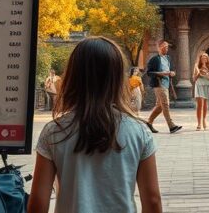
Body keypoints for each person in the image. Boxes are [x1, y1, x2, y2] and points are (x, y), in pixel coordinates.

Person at [28, 36, 162, 213]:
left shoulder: (54, 132)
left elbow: (38, 202)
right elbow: (152, 200)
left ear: (73, 77)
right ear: (116, 79)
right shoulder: (138, 132)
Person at [145, 40, 182, 134]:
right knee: (165, 104)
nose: (166, 48)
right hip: (158, 84)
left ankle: (149, 122)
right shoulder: (154, 59)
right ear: (159, 47)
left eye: (167, 47)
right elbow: (149, 73)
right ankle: (171, 126)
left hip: (166, 84)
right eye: (164, 47)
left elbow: (171, 69)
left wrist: (172, 73)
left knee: (160, 106)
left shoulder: (168, 58)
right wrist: (161, 73)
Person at [192, 52, 209, 130]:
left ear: (207, 59)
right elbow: (194, 79)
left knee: (205, 103)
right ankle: (199, 123)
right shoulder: (196, 66)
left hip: (206, 85)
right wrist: (199, 72)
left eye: (205, 57)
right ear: (200, 59)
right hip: (199, 85)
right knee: (199, 104)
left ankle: (204, 120)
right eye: (202, 57)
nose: (204, 59)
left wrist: (207, 75)